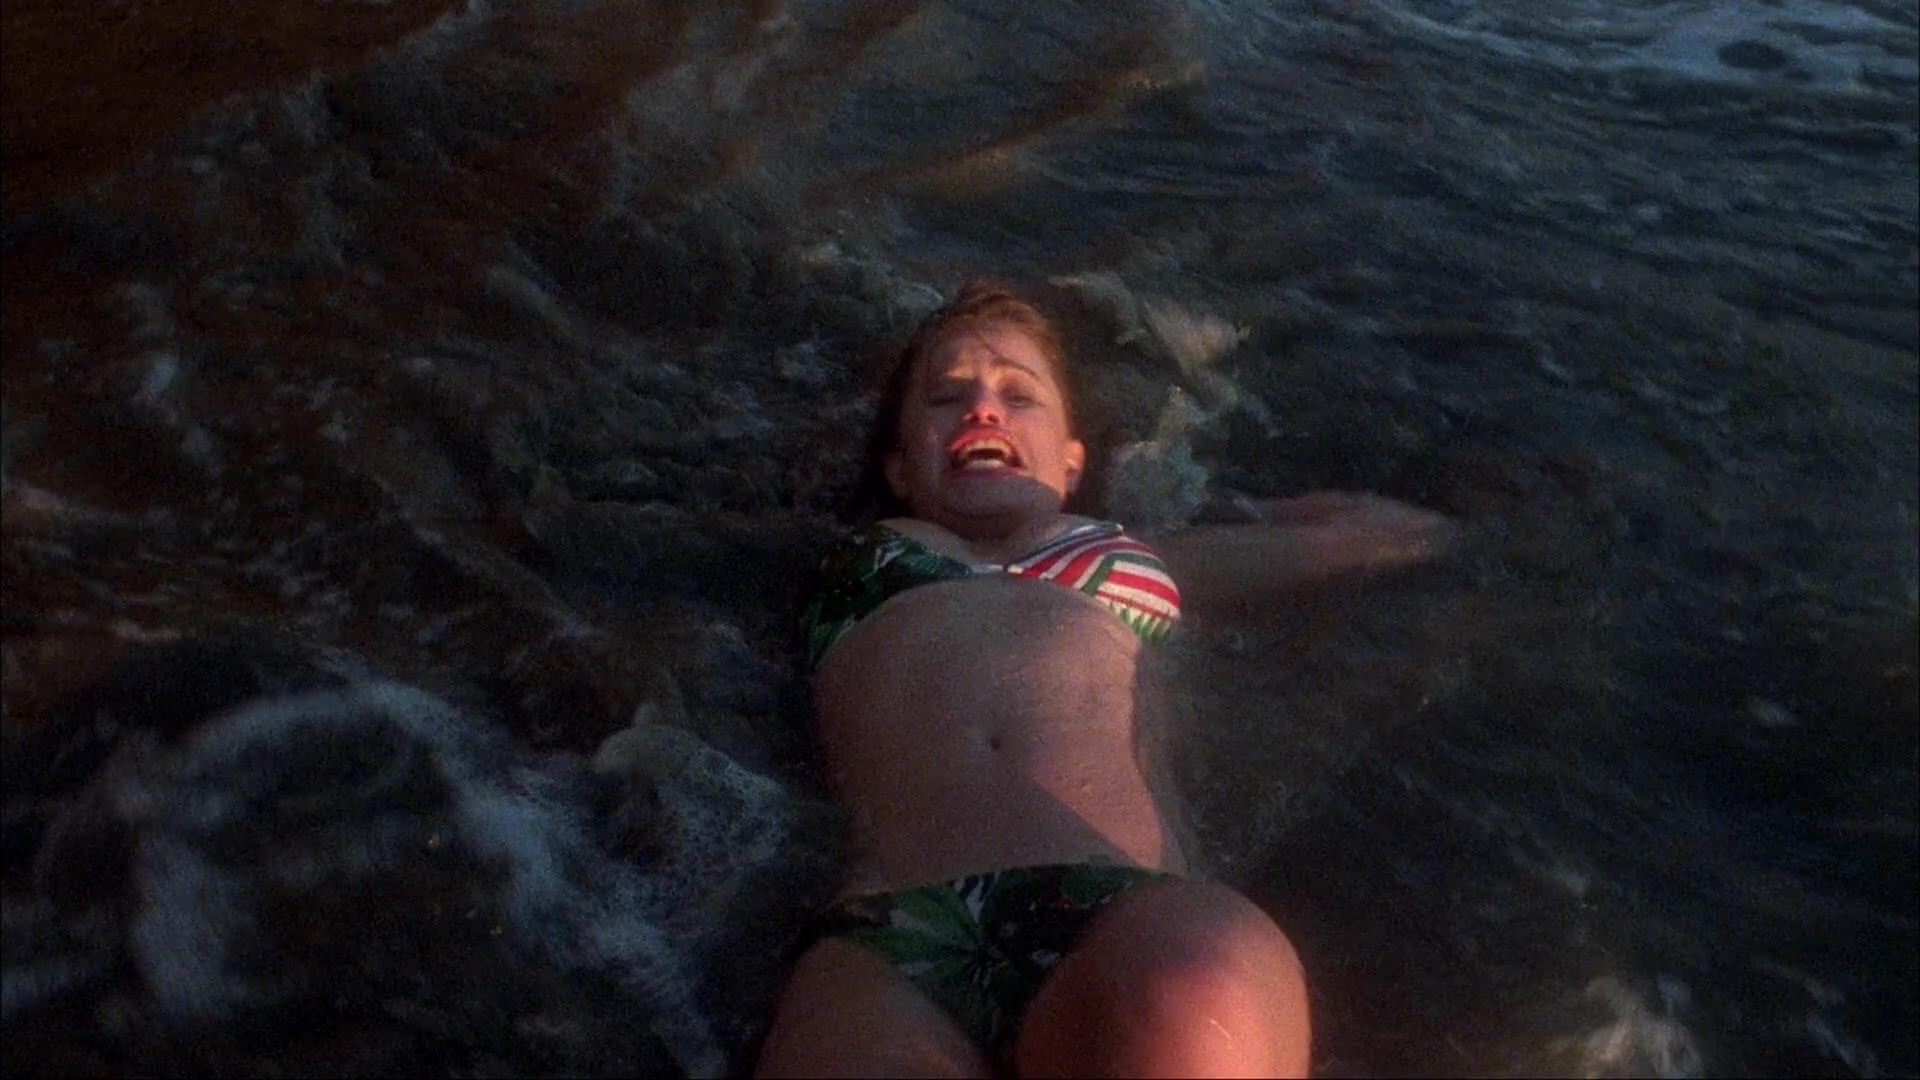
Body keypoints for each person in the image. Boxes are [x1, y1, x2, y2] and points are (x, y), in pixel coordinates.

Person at [757, 282, 1456, 1077]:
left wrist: (1271, 510)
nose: (982, 409)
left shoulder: (1134, 555)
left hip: (1121, 913)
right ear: (898, 464)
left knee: (1206, 990)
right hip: (894, 938)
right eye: (946, 396)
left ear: (1071, 459)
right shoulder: (849, 549)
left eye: (1020, 395)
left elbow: (1384, 540)